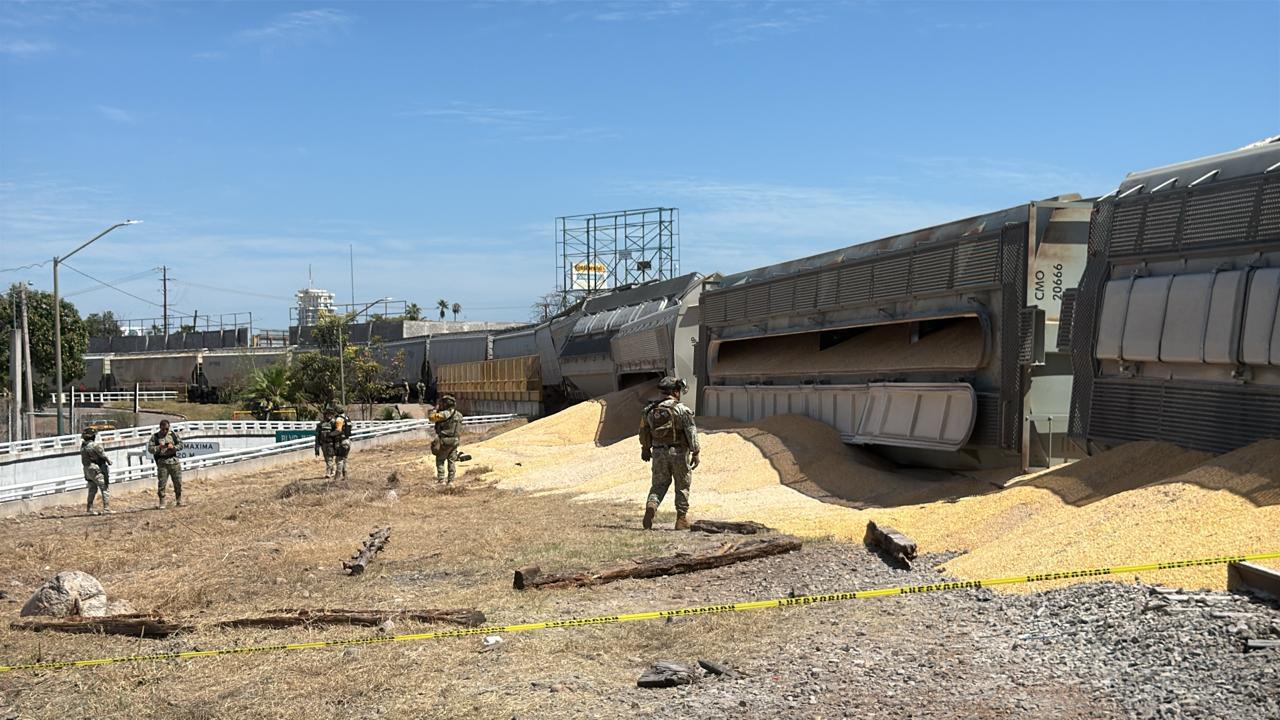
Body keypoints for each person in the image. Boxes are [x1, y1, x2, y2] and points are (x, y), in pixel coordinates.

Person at [639, 376, 700, 530]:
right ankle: (681, 519)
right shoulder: (682, 409)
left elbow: (643, 432)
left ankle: (652, 504)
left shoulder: (649, 411)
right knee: (682, 485)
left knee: (658, 484)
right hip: (679, 452)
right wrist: (696, 452)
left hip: (658, 453)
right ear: (675, 391)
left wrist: (645, 449)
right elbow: (691, 432)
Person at [148, 419, 185, 508]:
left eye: (166, 429)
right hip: (162, 462)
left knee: (178, 482)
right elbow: (150, 449)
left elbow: (181, 445)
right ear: (160, 428)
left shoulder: (173, 435)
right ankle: (162, 502)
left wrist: (174, 447)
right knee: (162, 484)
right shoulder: (155, 437)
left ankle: (179, 500)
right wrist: (159, 447)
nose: (164, 431)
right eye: (163, 429)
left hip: (173, 461)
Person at [429, 395, 463, 484]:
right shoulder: (459, 415)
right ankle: (451, 481)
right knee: (451, 461)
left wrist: (434, 410)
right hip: (455, 440)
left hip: (445, 440)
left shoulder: (445, 414)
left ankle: (441, 480)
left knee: (440, 460)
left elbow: (431, 418)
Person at [80, 428, 111, 515]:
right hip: (95, 469)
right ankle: (106, 509)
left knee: (92, 489)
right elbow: (103, 455)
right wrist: (109, 461)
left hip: (86, 470)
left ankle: (89, 509)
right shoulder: (95, 446)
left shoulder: (83, 446)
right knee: (104, 488)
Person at [328, 406, 353, 481]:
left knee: (339, 460)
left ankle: (337, 478)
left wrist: (330, 434)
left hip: (342, 441)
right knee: (344, 459)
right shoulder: (347, 418)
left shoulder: (339, 419)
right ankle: (345, 476)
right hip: (348, 440)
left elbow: (338, 430)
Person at [315, 406, 338, 478]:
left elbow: (337, 433)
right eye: (327, 414)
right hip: (323, 444)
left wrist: (337, 444)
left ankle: (328, 473)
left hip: (331, 444)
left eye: (330, 414)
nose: (329, 416)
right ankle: (333, 471)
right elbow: (317, 436)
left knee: (330, 458)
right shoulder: (320, 424)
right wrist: (317, 447)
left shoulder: (334, 423)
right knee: (327, 459)